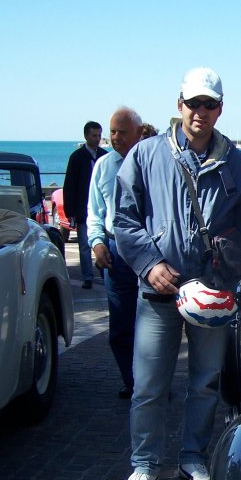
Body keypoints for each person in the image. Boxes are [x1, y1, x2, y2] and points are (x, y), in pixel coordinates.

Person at [114, 67, 241, 480]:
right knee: (148, 384)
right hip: (159, 291)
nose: (200, 111)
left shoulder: (238, 164)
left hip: (214, 293)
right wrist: (149, 264)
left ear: (220, 109)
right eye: (193, 103)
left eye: (209, 104)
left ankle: (193, 455)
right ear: (179, 105)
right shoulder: (146, 155)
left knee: (206, 381)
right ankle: (144, 463)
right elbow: (124, 220)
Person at [87, 107, 143, 400]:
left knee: (152, 325)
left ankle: (150, 384)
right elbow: (94, 211)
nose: (115, 137)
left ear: (138, 133)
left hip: (147, 253)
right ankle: (132, 382)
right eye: (112, 131)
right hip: (114, 252)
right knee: (121, 326)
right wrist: (97, 243)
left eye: (122, 132)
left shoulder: (151, 164)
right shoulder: (103, 166)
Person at [63, 121, 108, 288]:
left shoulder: (104, 156)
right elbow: (70, 185)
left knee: (104, 243)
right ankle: (87, 277)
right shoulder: (77, 157)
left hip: (103, 209)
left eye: (99, 135)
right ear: (86, 136)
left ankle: (104, 274)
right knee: (84, 245)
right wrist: (71, 212)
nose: (97, 139)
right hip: (83, 209)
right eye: (94, 135)